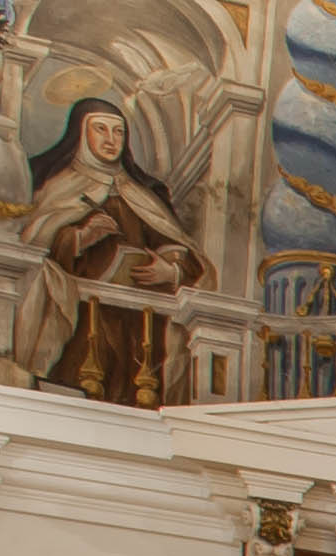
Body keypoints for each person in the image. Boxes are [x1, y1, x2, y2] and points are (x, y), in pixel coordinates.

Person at [15, 95, 205, 406]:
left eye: (118, 132)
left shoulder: (142, 194)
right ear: (81, 133)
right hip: (81, 319)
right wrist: (81, 237)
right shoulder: (58, 186)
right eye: (100, 129)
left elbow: (174, 244)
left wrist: (170, 270)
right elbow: (36, 245)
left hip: (140, 323)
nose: (111, 140)